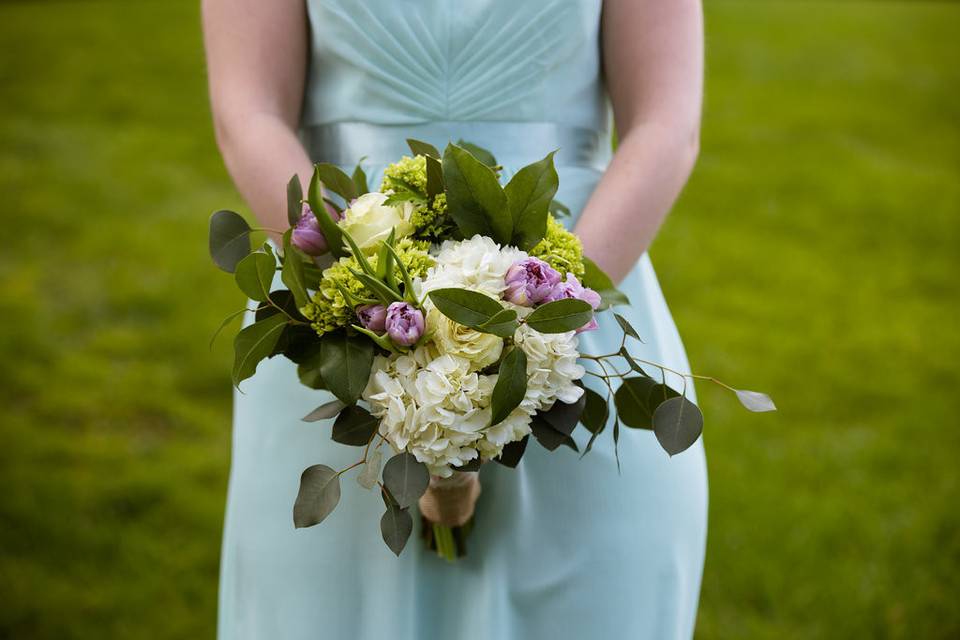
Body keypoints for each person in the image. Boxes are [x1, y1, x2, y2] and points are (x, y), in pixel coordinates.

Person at [203, 0, 707, 637]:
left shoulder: (563, 309)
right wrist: (368, 304)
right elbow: (249, 112)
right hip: (341, 323)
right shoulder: (352, 303)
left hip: (583, 302)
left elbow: (666, 122)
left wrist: (545, 320)